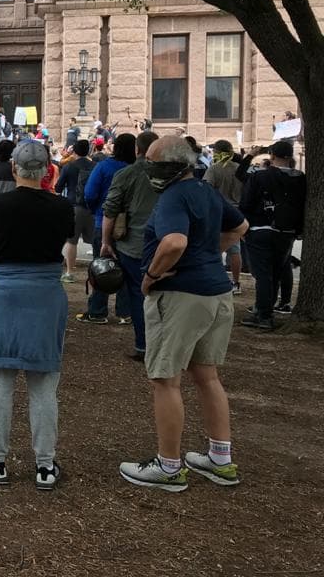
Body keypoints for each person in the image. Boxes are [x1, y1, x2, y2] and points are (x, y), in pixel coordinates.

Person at [119, 136, 248, 492]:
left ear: (168, 167)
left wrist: (150, 276)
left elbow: (174, 242)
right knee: (207, 376)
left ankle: (169, 465)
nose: (148, 169)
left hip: (180, 296)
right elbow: (240, 227)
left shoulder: (174, 196)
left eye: (152, 163)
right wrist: (209, 254)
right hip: (216, 292)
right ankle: (220, 459)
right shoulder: (206, 191)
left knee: (165, 379)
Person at [0, 141, 74, 490]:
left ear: (14, 168)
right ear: (48, 170)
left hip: (3, 292)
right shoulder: (62, 207)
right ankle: (45, 465)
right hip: (46, 295)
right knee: (44, 385)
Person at [100, 131, 160, 360]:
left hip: (134, 244)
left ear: (138, 149)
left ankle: (144, 345)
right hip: (169, 242)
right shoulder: (175, 174)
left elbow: (110, 209)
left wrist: (106, 241)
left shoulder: (127, 174)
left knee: (138, 294)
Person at [239, 140, 305, 330]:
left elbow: (246, 203)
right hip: (286, 232)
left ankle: (264, 315)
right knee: (275, 272)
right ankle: (267, 310)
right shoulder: (300, 178)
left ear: (272, 156)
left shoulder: (260, 177)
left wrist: (245, 227)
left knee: (263, 275)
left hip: (260, 229)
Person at [77, 134, 136, 324]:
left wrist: (97, 210)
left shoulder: (104, 167)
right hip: (131, 225)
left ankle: (97, 310)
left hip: (103, 222)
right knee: (128, 267)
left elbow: (90, 193)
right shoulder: (136, 169)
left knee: (101, 267)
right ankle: (126, 312)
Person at [203, 140, 244, 293]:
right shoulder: (240, 169)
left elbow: (206, 189)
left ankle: (215, 278)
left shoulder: (214, 169)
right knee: (235, 250)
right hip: (237, 211)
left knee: (215, 248)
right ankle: (236, 282)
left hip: (218, 211)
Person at [55, 140, 96, 282]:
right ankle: (97, 272)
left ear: (75, 152)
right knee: (95, 241)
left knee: (71, 241)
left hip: (74, 206)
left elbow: (58, 188)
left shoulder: (69, 167)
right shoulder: (95, 166)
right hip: (93, 207)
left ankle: (69, 272)